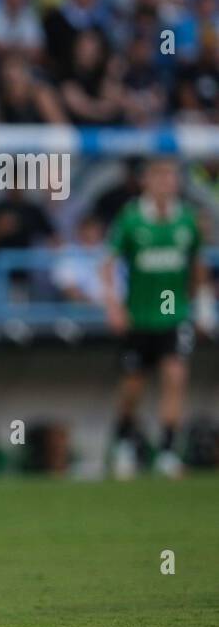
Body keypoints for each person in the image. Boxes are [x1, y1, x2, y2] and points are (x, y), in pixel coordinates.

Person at [102, 158, 208, 479]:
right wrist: (114, 306)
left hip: (172, 314)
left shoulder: (187, 221)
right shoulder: (132, 219)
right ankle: (123, 441)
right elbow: (107, 264)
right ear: (147, 181)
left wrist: (201, 307)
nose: (166, 183)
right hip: (140, 315)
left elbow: (196, 266)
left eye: (171, 177)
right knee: (133, 386)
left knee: (175, 376)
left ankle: (166, 450)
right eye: (160, 176)